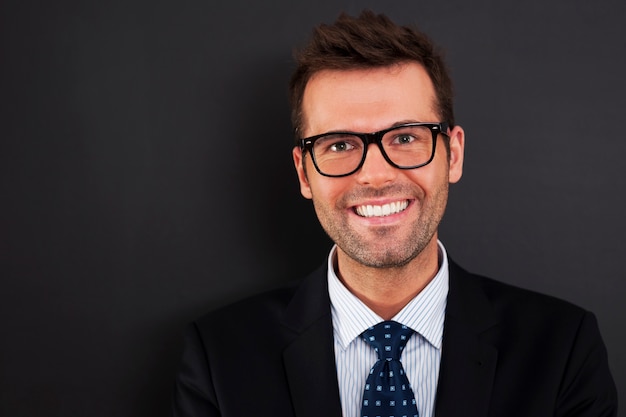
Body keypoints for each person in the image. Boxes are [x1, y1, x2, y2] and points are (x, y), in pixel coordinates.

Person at [171, 10, 617, 417]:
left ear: (453, 154)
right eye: (340, 145)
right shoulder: (218, 357)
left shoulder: (563, 350)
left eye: (405, 138)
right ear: (304, 173)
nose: (376, 176)